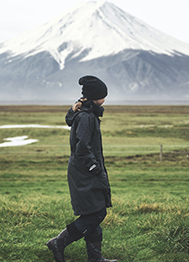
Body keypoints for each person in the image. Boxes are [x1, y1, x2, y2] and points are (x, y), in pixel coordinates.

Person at [47, 75, 117, 262]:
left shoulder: (87, 113)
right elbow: (82, 148)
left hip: (84, 170)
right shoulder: (86, 117)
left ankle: (95, 258)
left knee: (93, 211)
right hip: (85, 172)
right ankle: (58, 242)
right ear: (96, 96)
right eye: (104, 95)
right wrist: (95, 168)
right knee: (97, 213)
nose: (105, 99)